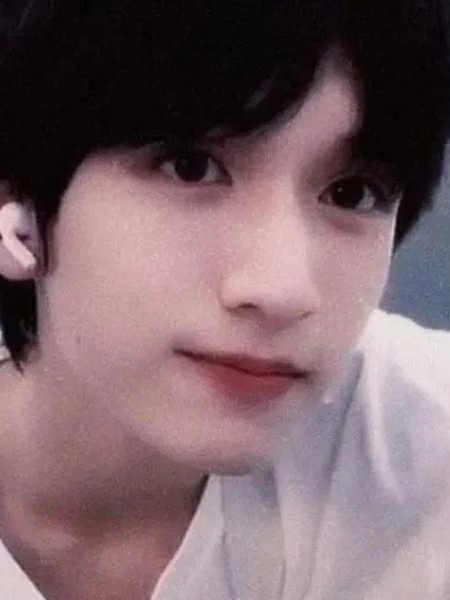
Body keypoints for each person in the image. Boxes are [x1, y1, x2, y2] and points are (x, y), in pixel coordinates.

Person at [0, 1, 449, 598]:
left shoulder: (423, 443)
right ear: (16, 205)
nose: (283, 290)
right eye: (190, 168)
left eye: (354, 193)